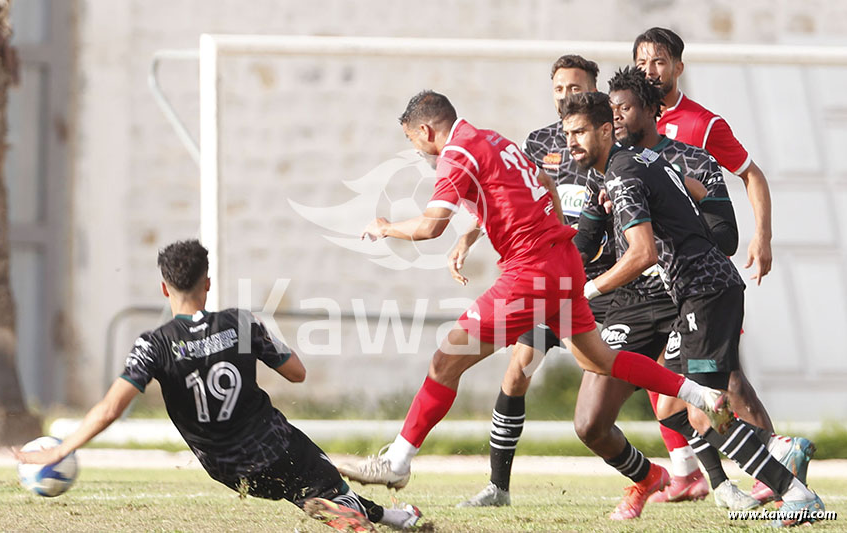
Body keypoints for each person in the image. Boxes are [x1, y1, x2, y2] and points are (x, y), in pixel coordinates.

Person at [338, 90, 732, 494]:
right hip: (561, 261)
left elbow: (429, 226)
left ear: (425, 130)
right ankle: (695, 399)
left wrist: (384, 226)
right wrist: (551, 234)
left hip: (531, 272)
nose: (417, 149)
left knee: (445, 361)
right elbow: (541, 181)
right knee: (601, 359)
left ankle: (397, 461)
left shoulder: (457, 153)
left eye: (412, 140)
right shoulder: (492, 139)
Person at [14, 240, 422, 532]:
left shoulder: (153, 344)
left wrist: (62, 448)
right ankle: (357, 516)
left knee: (310, 490)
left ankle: (393, 518)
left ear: (163, 287)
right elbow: (297, 373)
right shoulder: (240, 323)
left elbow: (109, 409)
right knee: (326, 488)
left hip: (223, 467)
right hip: (273, 443)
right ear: (207, 283)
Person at [563, 91, 824, 527]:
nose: (570, 142)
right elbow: (691, 190)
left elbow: (642, 253)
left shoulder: (623, 175)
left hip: (704, 291)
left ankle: (794, 491)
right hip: (702, 290)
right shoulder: (645, 159)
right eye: (567, 133)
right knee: (672, 407)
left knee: (704, 407)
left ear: (606, 129)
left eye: (579, 132)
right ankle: (742, 480)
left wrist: (589, 291)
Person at [633, 27, 793, 504]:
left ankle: (776, 457)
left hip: (701, 275)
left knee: (724, 378)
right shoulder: (626, 123)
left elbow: (751, 174)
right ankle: (690, 472)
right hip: (657, 275)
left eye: (659, 61)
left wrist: (762, 235)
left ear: (678, 68)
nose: (649, 70)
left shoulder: (702, 124)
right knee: (658, 373)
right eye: (642, 61)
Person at [456, 54, 619, 508]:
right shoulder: (539, 141)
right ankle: (498, 486)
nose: (567, 96)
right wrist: (467, 238)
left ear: (595, 90)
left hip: (607, 280)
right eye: (559, 89)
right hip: (552, 283)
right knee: (518, 371)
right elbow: (505, 196)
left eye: (576, 87)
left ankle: (687, 470)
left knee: (615, 376)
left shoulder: (611, 140)